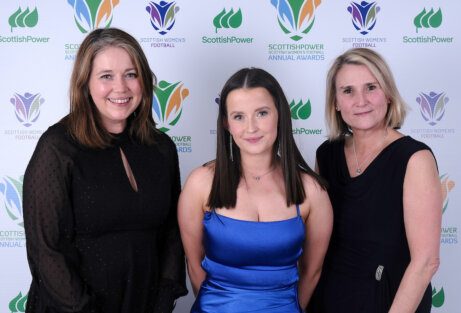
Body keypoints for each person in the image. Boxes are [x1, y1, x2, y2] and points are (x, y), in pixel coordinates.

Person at [23, 28, 187, 313]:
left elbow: (171, 233)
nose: (121, 88)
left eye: (131, 74)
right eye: (106, 76)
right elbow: (46, 250)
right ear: (85, 83)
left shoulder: (162, 148)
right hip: (73, 308)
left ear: (144, 81)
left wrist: (162, 300)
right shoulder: (58, 148)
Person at [178, 67, 333, 312]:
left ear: (279, 114)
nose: (251, 128)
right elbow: (194, 266)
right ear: (226, 123)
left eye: (261, 113)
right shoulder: (200, 183)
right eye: (238, 116)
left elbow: (312, 271)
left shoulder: (312, 191)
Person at [307, 48, 442, 313]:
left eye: (371, 87)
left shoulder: (414, 158)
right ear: (335, 102)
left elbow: (426, 261)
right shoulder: (327, 154)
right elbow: (315, 244)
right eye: (348, 91)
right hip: (329, 299)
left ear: (388, 94)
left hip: (389, 302)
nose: (361, 101)